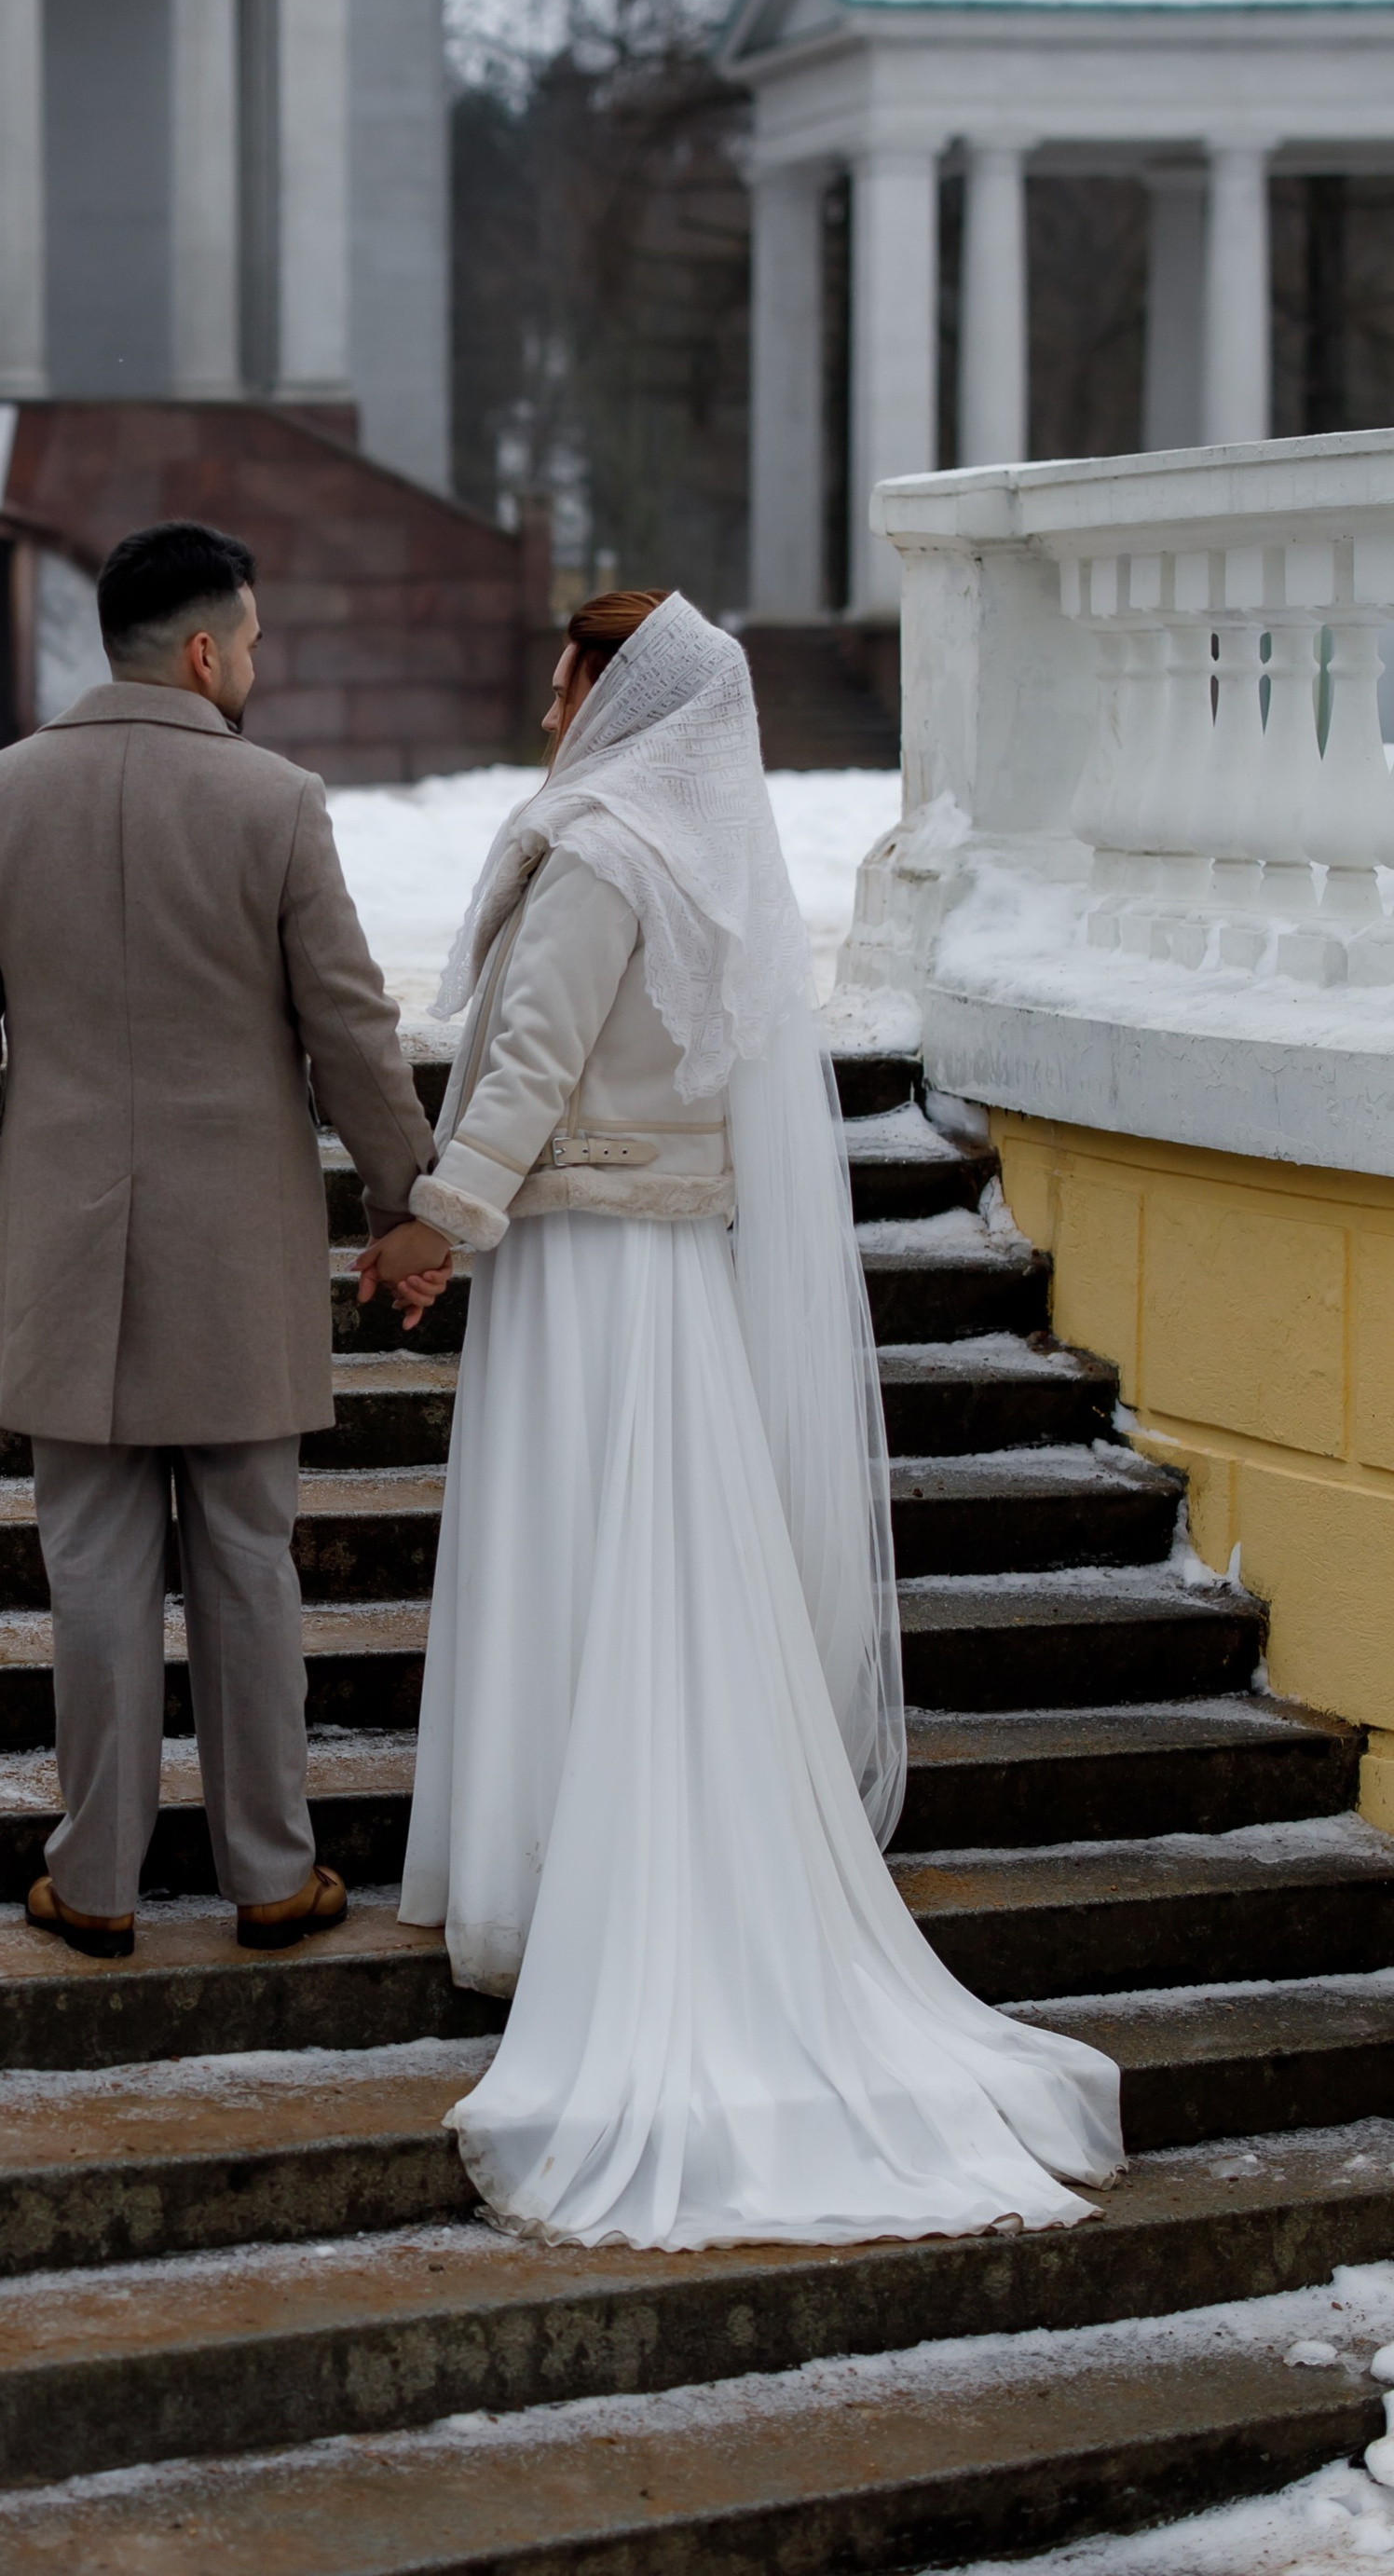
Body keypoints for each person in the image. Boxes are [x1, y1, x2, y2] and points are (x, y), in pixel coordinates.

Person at [355, 588, 1124, 2249]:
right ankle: (611, 1869)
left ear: (611, 684)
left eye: (571, 667)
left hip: (581, 1260)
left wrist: (438, 1224)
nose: (553, 696)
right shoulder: (701, 856)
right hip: (664, 1267)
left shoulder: (605, 850)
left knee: (585, 1550)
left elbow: (534, 1061)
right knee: (659, 1567)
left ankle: (576, 1892)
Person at [0, 518, 447, 1962]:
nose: (258, 663)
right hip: (240, 1256)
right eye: (255, 639)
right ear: (205, 650)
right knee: (248, 1568)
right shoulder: (277, 803)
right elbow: (351, 1028)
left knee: (88, 1570)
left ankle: (94, 1881)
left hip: (64, 1249)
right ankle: (273, 1874)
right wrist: (406, 1202)